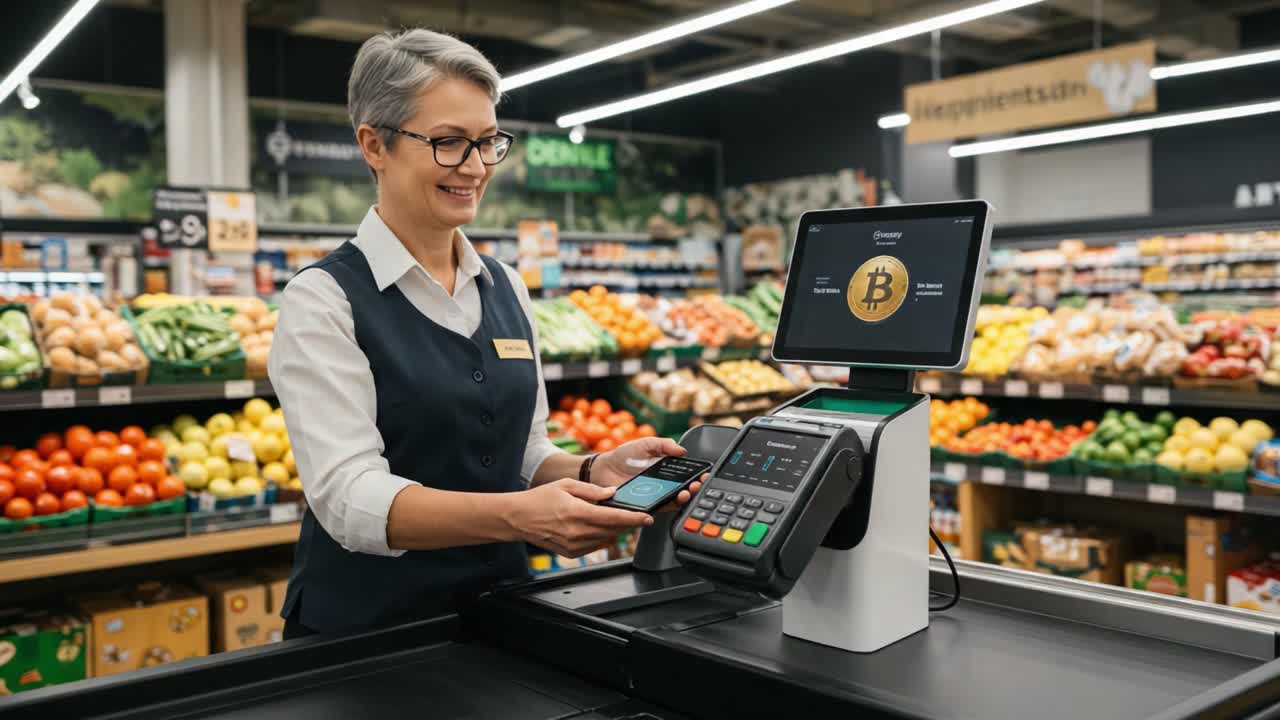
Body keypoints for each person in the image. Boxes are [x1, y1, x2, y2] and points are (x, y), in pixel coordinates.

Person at [269, 28, 699, 637]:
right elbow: (348, 498)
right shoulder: (324, 300)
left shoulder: (505, 286)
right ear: (374, 145)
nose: (474, 167)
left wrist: (591, 470)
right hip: (368, 634)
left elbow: (522, 451)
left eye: (487, 142)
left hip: (502, 615)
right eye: (448, 142)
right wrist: (518, 517)